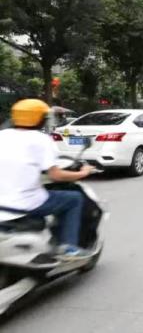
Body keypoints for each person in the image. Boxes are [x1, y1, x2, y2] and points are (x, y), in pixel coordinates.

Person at [0, 99, 94, 259]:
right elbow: (55, 175)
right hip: (23, 205)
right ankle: (69, 248)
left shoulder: (3, 135)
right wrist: (83, 173)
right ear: (40, 119)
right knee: (74, 198)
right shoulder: (41, 139)